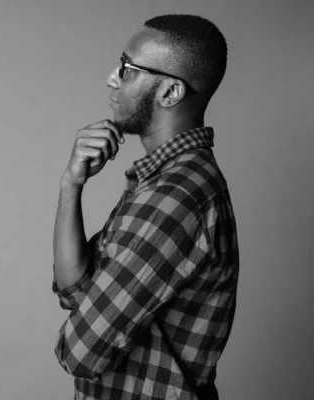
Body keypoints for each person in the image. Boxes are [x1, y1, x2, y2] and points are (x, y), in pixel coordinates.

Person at [52, 14, 239, 400]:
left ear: (170, 92)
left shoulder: (176, 195)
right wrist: (71, 185)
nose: (111, 78)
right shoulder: (160, 180)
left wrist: (84, 323)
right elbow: (75, 290)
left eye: (127, 69)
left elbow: (80, 353)